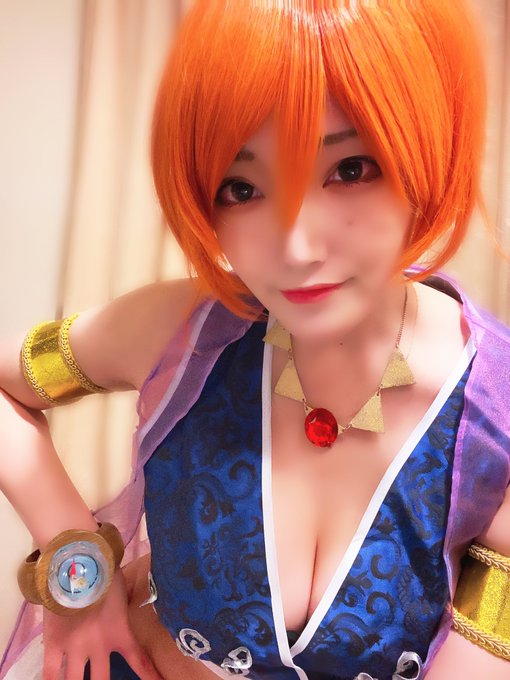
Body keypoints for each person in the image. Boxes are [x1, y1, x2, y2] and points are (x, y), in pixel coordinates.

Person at [1, 0, 509, 678]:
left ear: (428, 148)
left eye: (350, 169)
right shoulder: (182, 332)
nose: (296, 249)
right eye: (241, 188)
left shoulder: (493, 416)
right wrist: (77, 567)